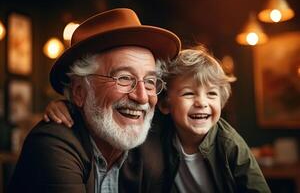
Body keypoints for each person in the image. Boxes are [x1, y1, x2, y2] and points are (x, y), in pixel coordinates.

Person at [42, 47, 271, 192]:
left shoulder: (229, 143)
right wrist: (69, 105)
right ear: (165, 105)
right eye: (189, 94)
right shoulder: (156, 130)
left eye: (212, 94)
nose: (201, 102)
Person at [8, 8, 181, 193]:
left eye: (150, 82)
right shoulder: (51, 144)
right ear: (80, 92)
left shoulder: (154, 147)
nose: (142, 97)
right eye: (124, 78)